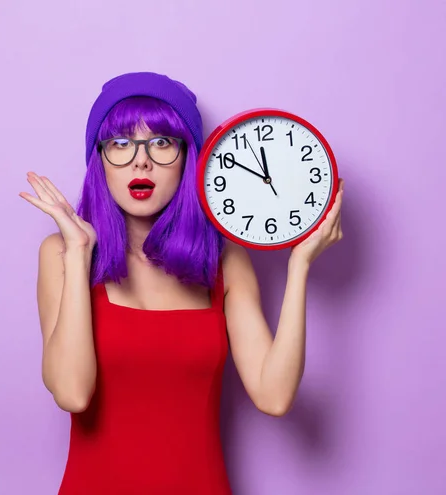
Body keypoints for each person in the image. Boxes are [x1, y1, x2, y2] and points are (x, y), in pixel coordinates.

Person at [19, 72, 344, 494]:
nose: (141, 161)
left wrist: (299, 266)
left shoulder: (225, 261)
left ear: (189, 157)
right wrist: (80, 252)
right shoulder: (62, 255)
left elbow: (274, 394)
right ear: (98, 160)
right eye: (120, 144)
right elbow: (72, 393)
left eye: (161, 142)